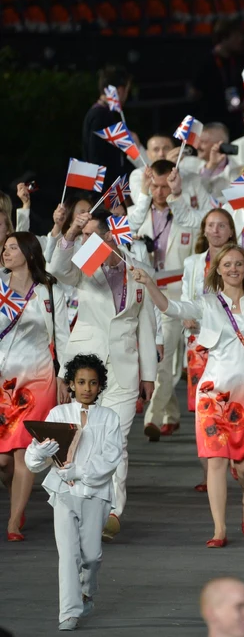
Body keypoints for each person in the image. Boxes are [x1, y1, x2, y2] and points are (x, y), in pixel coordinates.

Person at [134, 244, 244, 547]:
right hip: (213, 393)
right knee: (216, 462)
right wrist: (149, 283)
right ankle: (219, 528)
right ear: (218, 270)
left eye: (239, 264)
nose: (233, 269)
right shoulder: (207, 303)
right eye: (227, 265)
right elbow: (172, 308)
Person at [47, 208, 157, 542]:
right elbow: (55, 268)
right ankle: (84, 501)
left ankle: (111, 512)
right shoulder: (83, 265)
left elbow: (147, 325)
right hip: (84, 367)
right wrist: (68, 235)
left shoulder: (139, 270)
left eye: (93, 235)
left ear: (111, 236)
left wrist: (149, 374)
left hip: (124, 369)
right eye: (83, 236)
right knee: (83, 437)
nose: (87, 240)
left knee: (116, 442)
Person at [25, 354, 122, 632]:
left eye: (93, 382)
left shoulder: (109, 418)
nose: (87, 388)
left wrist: (80, 472)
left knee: (91, 555)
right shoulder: (58, 415)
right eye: (81, 382)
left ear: (100, 385)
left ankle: (87, 592)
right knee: (68, 554)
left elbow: (111, 458)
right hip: (64, 494)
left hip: (95, 493)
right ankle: (68, 612)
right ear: (70, 384)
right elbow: (35, 459)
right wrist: (39, 452)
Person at [1, 233, 70, 541]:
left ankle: (14, 519)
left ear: (28, 253)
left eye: (12, 247)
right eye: (4, 248)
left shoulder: (50, 292)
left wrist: (63, 376)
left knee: (21, 452)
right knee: (3, 461)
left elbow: (64, 337)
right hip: (4, 381)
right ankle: (17, 494)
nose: (5, 252)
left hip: (38, 379)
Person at [128, 159, 201, 441]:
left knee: (165, 359)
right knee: (160, 358)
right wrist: (144, 197)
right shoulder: (138, 214)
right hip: (146, 293)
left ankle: (153, 417)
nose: (160, 192)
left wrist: (191, 302)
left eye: (165, 186)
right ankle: (171, 414)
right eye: (154, 186)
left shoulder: (188, 216)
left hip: (176, 294)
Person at [180, 208, 238, 492]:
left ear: (230, 231)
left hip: (230, 342)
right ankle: (209, 472)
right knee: (202, 407)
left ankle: (235, 459)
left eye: (222, 225)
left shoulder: (238, 261)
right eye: (211, 225)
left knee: (230, 401)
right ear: (203, 230)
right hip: (199, 341)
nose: (215, 230)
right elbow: (184, 296)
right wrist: (185, 315)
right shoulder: (193, 262)